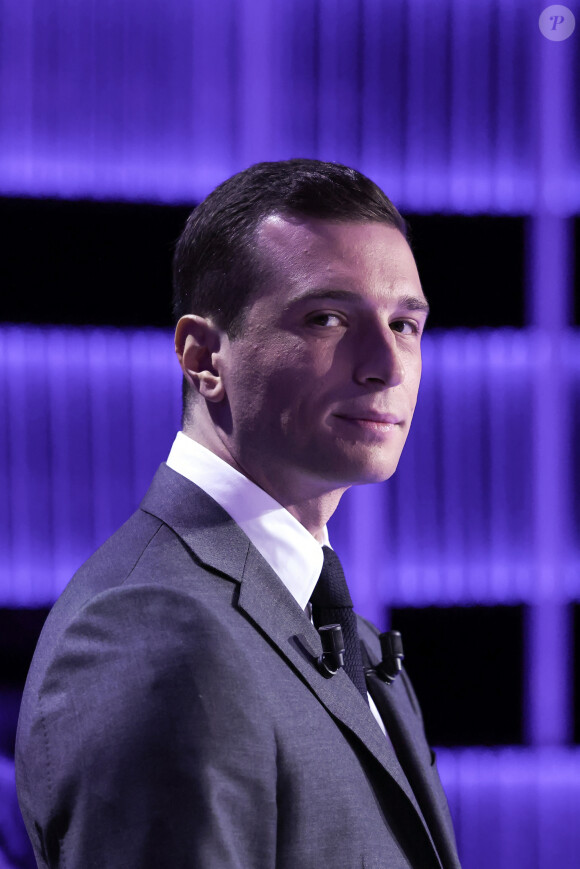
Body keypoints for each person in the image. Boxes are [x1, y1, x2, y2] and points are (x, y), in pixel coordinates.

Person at [16, 159, 461, 868]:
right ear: (203, 356)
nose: (387, 364)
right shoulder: (151, 630)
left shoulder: (342, 632)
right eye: (328, 318)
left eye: (406, 323)